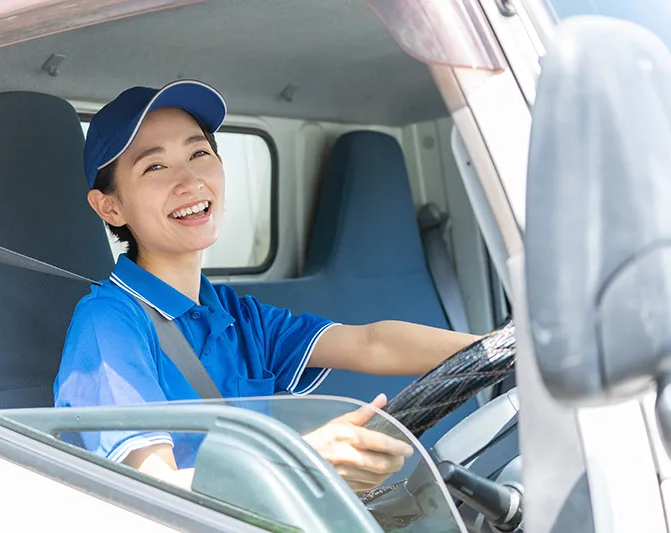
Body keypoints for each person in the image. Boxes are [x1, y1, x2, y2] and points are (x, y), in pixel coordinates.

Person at [54, 80, 478, 492]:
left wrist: (503, 352)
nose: (190, 181)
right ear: (109, 207)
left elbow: (372, 342)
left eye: (199, 152)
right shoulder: (107, 323)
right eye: (155, 166)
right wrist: (304, 464)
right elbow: (151, 491)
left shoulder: (236, 314)